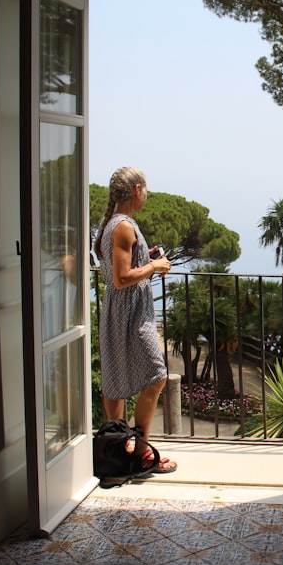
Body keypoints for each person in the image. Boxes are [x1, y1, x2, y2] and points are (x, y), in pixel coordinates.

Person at [92, 166, 177, 473]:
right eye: (146, 188)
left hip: (120, 311)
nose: (147, 194)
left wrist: (145, 257)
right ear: (137, 190)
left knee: (116, 383)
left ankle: (118, 453)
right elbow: (121, 277)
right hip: (129, 312)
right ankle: (141, 453)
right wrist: (154, 266)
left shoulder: (116, 224)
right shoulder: (123, 226)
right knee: (156, 376)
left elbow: (122, 267)